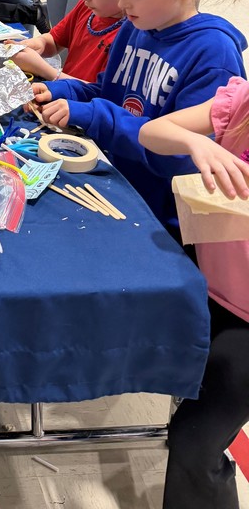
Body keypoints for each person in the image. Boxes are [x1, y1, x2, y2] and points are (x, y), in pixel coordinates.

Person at [33, 0, 247, 232]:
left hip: (161, 215)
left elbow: (180, 156)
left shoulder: (213, 54)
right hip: (119, 179)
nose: (122, 2)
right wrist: (63, 93)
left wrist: (93, 115)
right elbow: (107, 92)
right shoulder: (136, 27)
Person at [138, 83, 249, 509]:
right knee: (190, 429)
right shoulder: (240, 102)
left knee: (195, 441)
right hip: (207, 292)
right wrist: (196, 144)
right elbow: (152, 132)